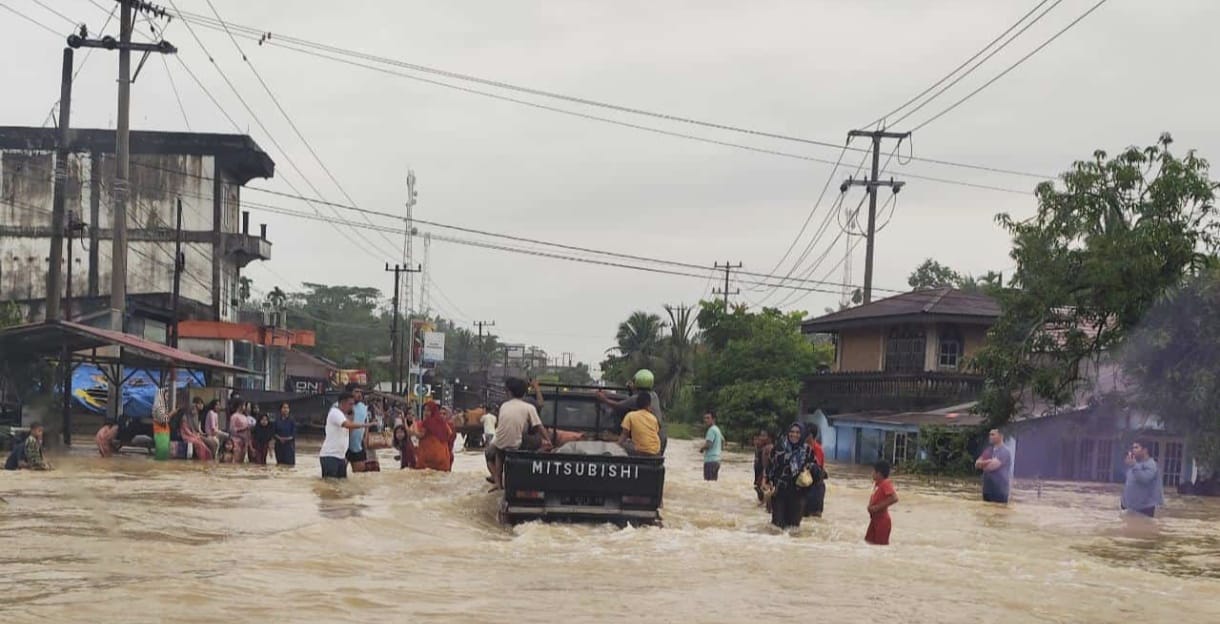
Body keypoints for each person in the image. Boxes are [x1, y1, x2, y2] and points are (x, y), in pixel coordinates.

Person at [486, 377, 545, 490]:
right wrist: (537, 388)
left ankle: (497, 480)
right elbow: (541, 405)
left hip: (507, 442)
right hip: (525, 441)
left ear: (510, 392)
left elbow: (500, 425)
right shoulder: (530, 403)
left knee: (492, 453)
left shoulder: (505, 404)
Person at [597, 369, 668, 454]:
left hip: (646, 440)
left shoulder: (635, 400)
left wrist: (604, 399)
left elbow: (618, 405)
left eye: (634, 382)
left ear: (637, 382)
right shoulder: (654, 395)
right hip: (660, 438)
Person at [766, 423, 814, 529]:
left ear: (802, 434)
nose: (794, 435)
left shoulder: (807, 450)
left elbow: (815, 470)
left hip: (798, 494)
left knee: (793, 529)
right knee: (777, 527)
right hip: (779, 492)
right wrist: (767, 483)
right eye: (792, 432)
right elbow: (770, 466)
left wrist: (810, 468)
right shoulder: (779, 447)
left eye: (798, 432)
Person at [319, 391, 374, 479]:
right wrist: (366, 425)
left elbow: (349, 432)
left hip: (340, 456)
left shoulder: (343, 416)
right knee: (330, 483)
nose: (352, 407)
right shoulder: (335, 412)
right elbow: (347, 425)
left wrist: (352, 418)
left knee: (341, 483)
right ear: (342, 403)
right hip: (330, 456)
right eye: (350, 404)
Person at [1121, 440, 1165, 518]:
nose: (1133, 450)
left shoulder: (1151, 464)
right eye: (1133, 448)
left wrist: (1133, 465)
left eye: (1136, 447)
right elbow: (1129, 484)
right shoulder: (1134, 465)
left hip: (1145, 508)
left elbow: (1145, 479)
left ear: (1145, 450)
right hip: (1129, 508)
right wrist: (1123, 503)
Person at [975, 428, 1013, 504]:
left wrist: (983, 464)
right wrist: (989, 461)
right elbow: (976, 464)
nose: (990, 437)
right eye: (990, 435)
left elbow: (991, 467)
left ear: (1001, 436)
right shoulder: (988, 450)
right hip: (987, 490)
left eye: (993, 435)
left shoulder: (1004, 452)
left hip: (999, 491)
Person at [618, 391, 662, 457]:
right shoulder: (653, 418)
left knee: (625, 444)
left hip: (640, 451)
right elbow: (654, 433)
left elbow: (624, 435)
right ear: (649, 405)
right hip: (655, 451)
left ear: (636, 404)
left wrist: (616, 445)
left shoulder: (630, 415)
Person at [866, 460, 899, 545]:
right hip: (875, 520)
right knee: (868, 543)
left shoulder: (885, 483)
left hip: (882, 521)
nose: (872, 473)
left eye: (873, 471)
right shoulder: (878, 484)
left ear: (879, 474)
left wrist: (877, 507)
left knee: (880, 547)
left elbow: (894, 498)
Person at [416, 402, 455, 471]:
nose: (425, 412)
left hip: (429, 459)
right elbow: (449, 435)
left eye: (428, 410)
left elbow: (420, 435)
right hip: (444, 458)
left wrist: (410, 431)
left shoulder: (426, 422)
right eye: (424, 410)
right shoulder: (445, 425)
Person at [804, 423, 828, 518]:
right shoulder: (803, 447)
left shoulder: (818, 449)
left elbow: (817, 468)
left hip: (816, 487)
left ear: (810, 435)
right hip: (806, 486)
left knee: (815, 516)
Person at [180, 397, 214, 461]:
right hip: (186, 436)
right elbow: (185, 430)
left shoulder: (196, 416)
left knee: (207, 444)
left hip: (194, 435)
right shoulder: (185, 417)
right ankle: (202, 458)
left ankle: (209, 458)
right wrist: (194, 435)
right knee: (200, 444)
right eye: (193, 409)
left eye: (195, 409)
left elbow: (197, 429)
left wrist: (198, 434)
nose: (194, 411)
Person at [347, 385, 370, 472]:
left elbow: (366, 423)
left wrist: (366, 438)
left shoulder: (364, 407)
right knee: (339, 476)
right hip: (342, 445)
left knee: (360, 475)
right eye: (356, 392)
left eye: (360, 392)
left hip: (358, 445)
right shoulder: (340, 406)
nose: (359, 394)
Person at [699, 411, 724, 481]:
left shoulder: (711, 430)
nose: (706, 420)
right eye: (705, 418)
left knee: (708, 483)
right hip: (717, 461)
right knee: (713, 483)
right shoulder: (717, 429)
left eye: (708, 418)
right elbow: (723, 441)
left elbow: (708, 444)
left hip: (710, 461)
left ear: (713, 419)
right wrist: (718, 451)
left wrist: (701, 449)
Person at [227, 399, 251, 463]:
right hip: (236, 442)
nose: (245, 407)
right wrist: (243, 429)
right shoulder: (234, 416)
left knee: (241, 461)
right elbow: (232, 430)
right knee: (235, 460)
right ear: (240, 406)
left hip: (244, 443)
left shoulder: (244, 416)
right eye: (244, 405)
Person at [753, 429, 773, 505]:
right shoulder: (760, 447)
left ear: (769, 438)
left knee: (763, 492)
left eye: (764, 436)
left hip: (764, 474)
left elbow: (766, 464)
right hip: (759, 473)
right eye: (760, 436)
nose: (761, 438)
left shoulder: (768, 448)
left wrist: (764, 477)